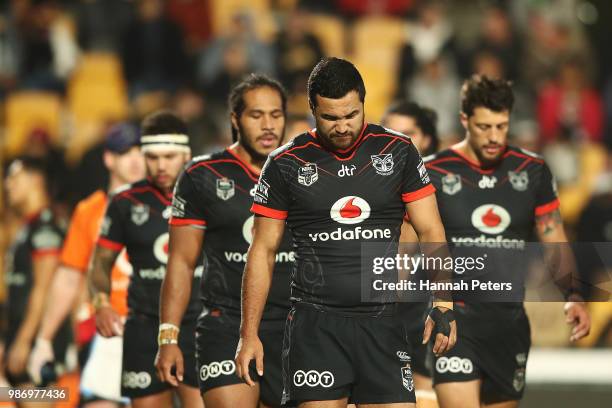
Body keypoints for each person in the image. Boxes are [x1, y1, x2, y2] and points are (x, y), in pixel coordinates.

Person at [235, 57, 456, 408]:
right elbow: (262, 250)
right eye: (331, 118)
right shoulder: (285, 163)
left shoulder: (398, 152)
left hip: (382, 324)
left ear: (364, 104)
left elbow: (430, 229)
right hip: (315, 327)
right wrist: (248, 335)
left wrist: (443, 302)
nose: (342, 126)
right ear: (311, 109)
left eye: (351, 115)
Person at [425, 75, 591, 408]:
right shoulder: (435, 172)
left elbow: (553, 237)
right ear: (464, 120)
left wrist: (573, 293)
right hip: (456, 319)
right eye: (485, 126)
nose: (494, 137)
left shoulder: (533, 171)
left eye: (501, 126)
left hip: (509, 321)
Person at [155, 74, 294, 408]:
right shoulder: (203, 175)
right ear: (235, 119)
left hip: (294, 326)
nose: (268, 125)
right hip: (226, 322)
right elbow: (181, 261)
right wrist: (169, 336)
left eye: (275, 115)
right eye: (256, 115)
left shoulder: (304, 171)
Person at [89, 111, 202, 408]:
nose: (160, 165)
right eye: (152, 157)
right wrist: (101, 304)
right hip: (144, 327)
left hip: (199, 325)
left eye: (169, 156)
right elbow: (100, 263)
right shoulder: (125, 202)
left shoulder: (209, 195)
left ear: (186, 154)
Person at [28, 124, 144, 406]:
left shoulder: (169, 205)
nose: (135, 159)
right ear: (108, 159)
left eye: (140, 151)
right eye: (125, 152)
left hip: (152, 328)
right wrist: (44, 340)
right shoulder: (89, 211)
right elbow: (68, 277)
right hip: (105, 332)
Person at [381, 100, 441, 408]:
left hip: (431, 310)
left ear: (427, 138)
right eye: (393, 133)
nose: (401, 142)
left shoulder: (444, 185)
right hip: (384, 310)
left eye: (410, 134)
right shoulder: (374, 185)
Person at [2, 157, 71, 388]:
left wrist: (24, 340)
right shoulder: (28, 226)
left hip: (36, 343)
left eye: (14, 177)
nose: (7, 184)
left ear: (35, 180)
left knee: (39, 401)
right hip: (19, 335)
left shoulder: (45, 227)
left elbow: (45, 287)